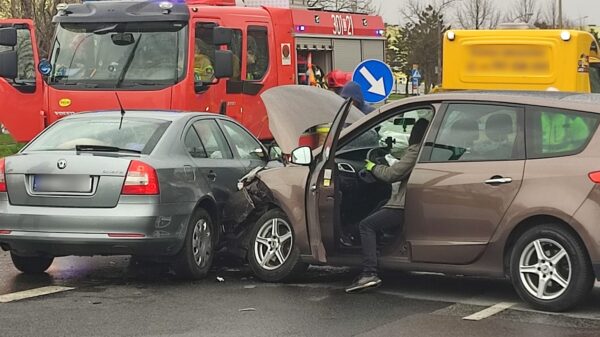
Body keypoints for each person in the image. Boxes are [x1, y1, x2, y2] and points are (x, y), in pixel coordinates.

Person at [345, 118, 430, 294]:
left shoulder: (417, 150)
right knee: (382, 204)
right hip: (411, 201)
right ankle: (376, 249)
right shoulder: (431, 151)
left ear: (415, 135)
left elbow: (392, 174)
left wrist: (372, 166)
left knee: (366, 226)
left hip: (404, 204)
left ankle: (369, 272)